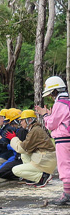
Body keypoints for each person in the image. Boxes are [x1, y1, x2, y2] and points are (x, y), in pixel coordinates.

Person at [37, 76, 70, 204]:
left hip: (63, 139)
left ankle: (67, 195)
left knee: (64, 165)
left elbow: (51, 124)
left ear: (55, 91)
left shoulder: (60, 104)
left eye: (51, 94)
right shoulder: (67, 102)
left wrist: (45, 115)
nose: (51, 96)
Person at [5, 109, 56, 187]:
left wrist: (13, 138)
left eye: (22, 120)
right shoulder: (35, 129)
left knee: (15, 170)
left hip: (45, 160)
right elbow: (26, 149)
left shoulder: (34, 131)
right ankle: (36, 176)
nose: (20, 123)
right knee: (24, 155)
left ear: (29, 120)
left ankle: (41, 177)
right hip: (47, 159)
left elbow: (21, 148)